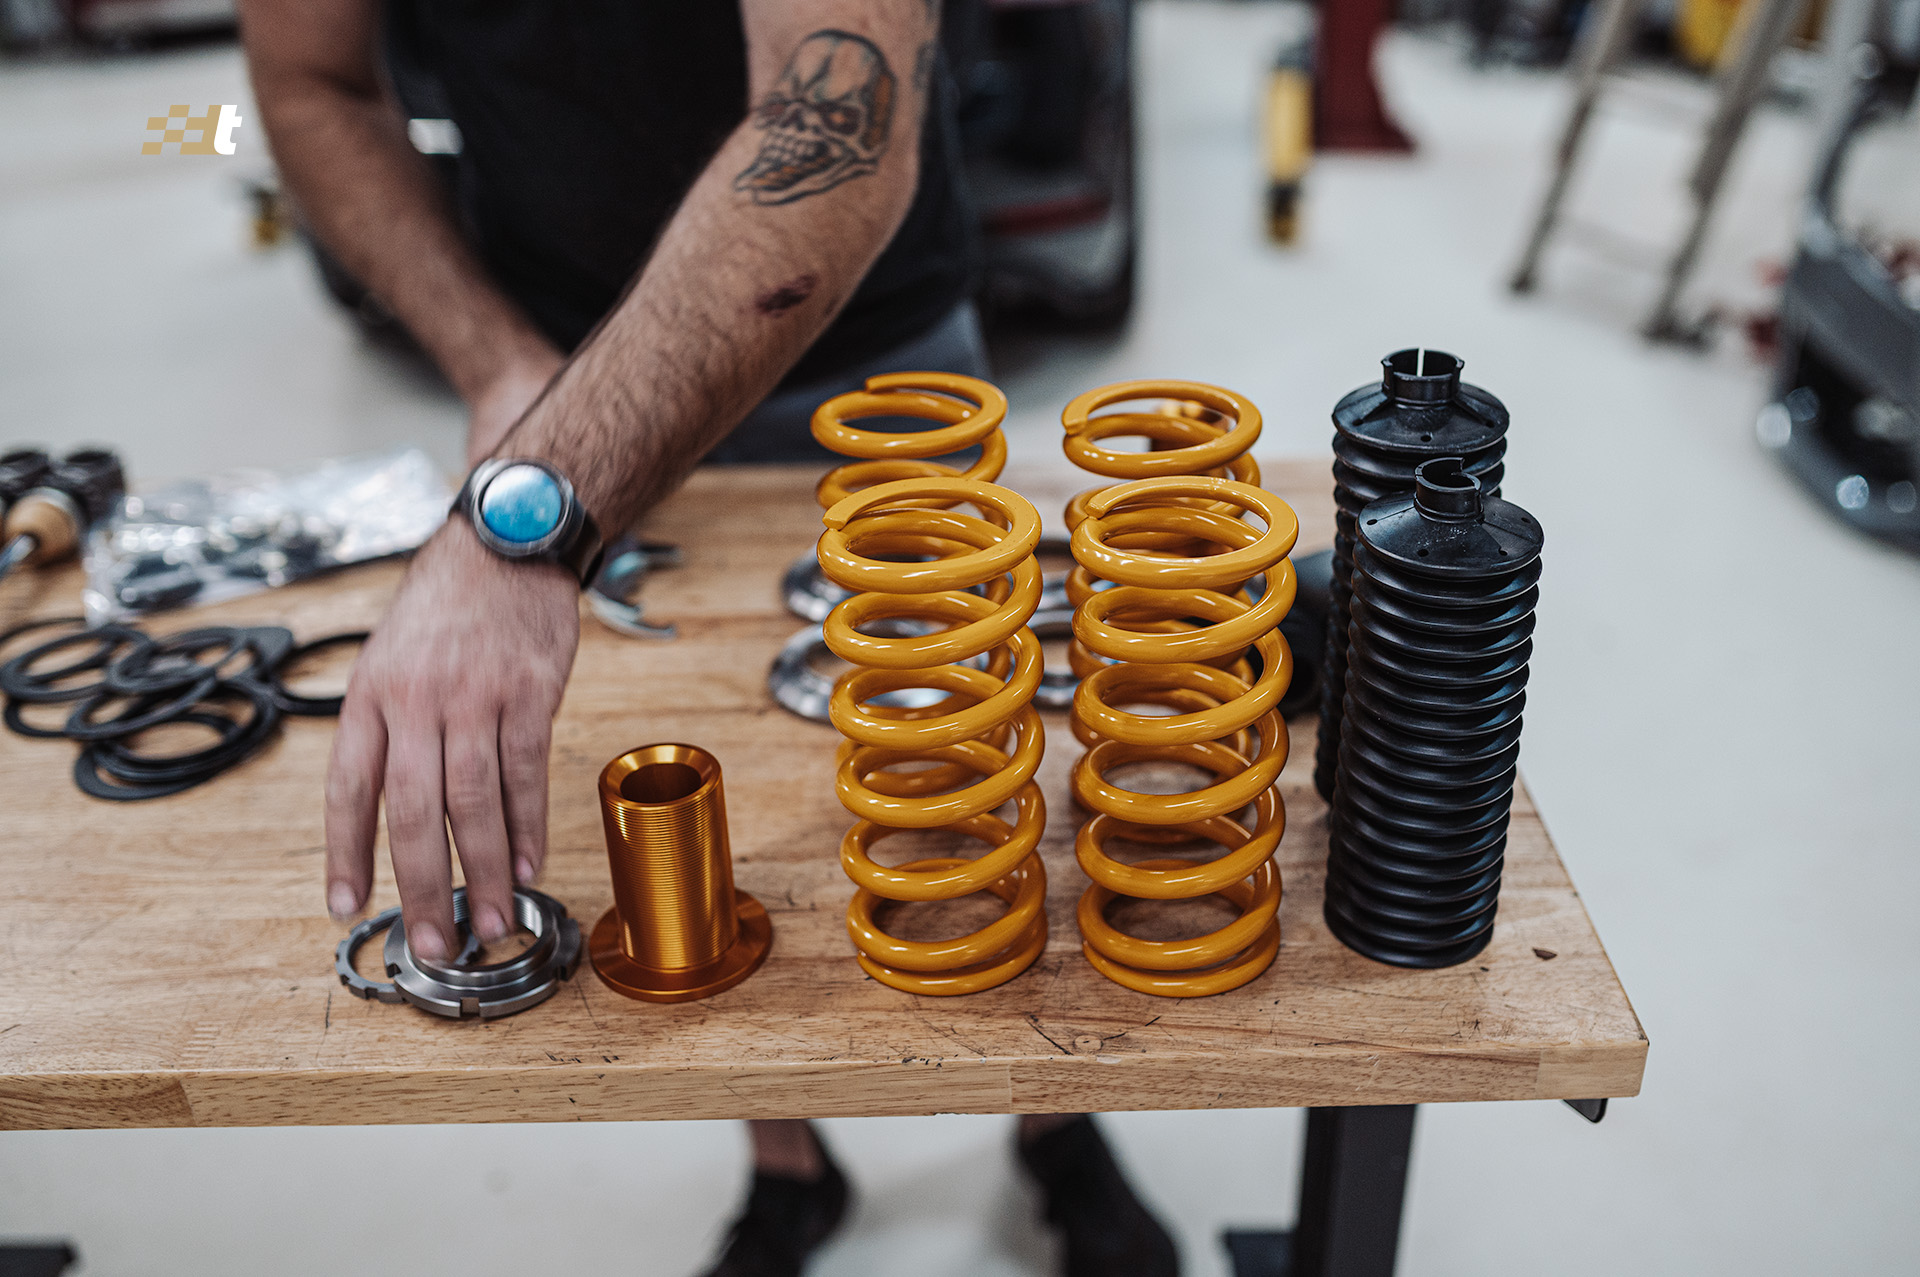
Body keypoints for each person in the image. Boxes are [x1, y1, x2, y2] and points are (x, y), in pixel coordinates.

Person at [239, 4, 1179, 1275]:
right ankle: (787, 1165)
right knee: (680, 813)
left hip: (875, 350)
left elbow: (834, 110)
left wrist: (528, 515)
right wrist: (498, 365)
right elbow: (312, 86)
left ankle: (1052, 1113)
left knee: (962, 759)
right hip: (558, 361)